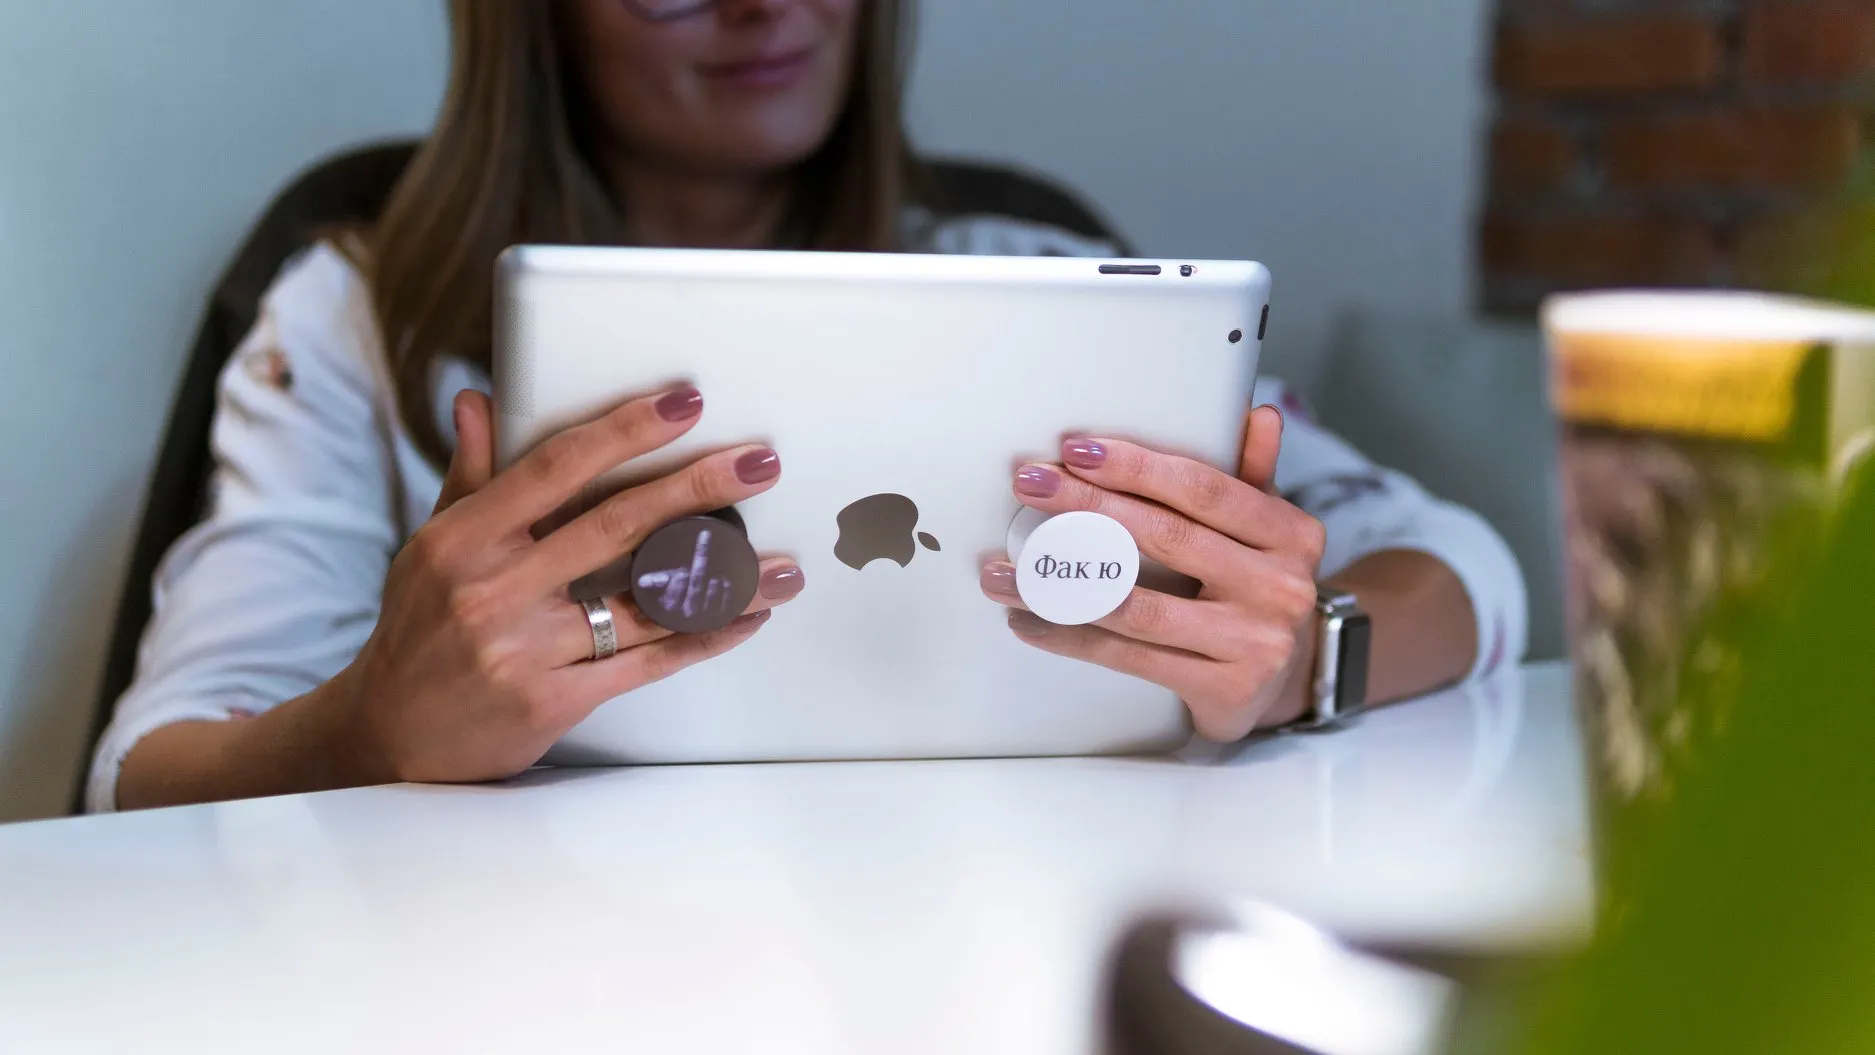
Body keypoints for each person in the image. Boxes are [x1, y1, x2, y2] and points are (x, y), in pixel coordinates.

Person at [88, 0, 1526, 813]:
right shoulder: (355, 313)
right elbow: (145, 769)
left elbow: (1461, 564)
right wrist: (366, 726)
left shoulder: (1034, 272)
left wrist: (1301, 658)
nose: (764, 7)